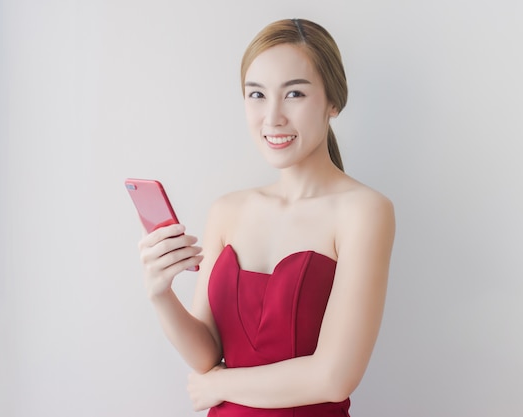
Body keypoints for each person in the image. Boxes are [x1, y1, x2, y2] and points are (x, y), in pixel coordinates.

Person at [137, 18, 395, 416]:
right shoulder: (227, 210)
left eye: (294, 93)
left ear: (333, 102)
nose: (272, 117)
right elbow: (206, 355)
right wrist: (160, 294)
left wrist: (220, 384)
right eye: (256, 95)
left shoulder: (364, 211)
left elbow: (333, 378)